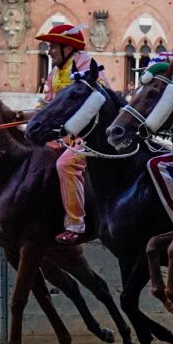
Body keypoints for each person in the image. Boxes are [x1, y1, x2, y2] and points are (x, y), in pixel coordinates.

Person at [33, 22, 102, 244]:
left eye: (53, 46)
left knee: (66, 164)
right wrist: (23, 118)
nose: (49, 52)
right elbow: (48, 105)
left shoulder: (88, 66)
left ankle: (76, 225)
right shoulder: (54, 72)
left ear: (67, 47)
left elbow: (98, 102)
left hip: (90, 137)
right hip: (62, 138)